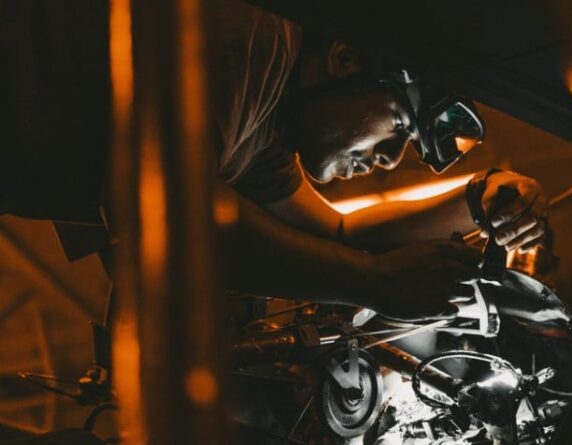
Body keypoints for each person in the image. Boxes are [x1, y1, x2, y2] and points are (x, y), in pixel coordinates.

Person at [210, 1, 549, 321]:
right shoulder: (257, 36)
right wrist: (369, 281)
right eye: (399, 124)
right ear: (345, 60)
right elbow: (187, 207)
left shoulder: (268, 137)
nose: (390, 160)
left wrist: (479, 197)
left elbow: (337, 232)